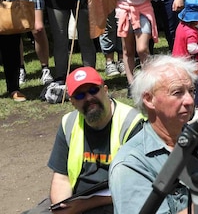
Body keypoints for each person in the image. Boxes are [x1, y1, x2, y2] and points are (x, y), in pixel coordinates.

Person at [109, 56, 198, 213]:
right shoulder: (131, 164)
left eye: (191, 91)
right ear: (149, 99)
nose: (190, 100)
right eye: (177, 92)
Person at [40, 67, 143, 214]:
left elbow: (137, 185)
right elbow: (62, 178)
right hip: (76, 200)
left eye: (94, 90)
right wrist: (61, 207)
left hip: (118, 200)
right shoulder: (68, 123)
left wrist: (83, 205)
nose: (88, 98)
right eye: (80, 95)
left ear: (105, 90)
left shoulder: (131, 123)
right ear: (72, 102)